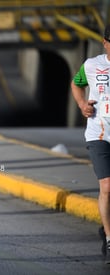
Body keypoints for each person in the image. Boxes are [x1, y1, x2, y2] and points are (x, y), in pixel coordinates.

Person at [71, 24, 110, 264]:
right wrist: (81, 104)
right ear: (105, 42)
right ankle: (109, 237)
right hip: (99, 134)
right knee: (107, 186)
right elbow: (76, 84)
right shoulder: (92, 65)